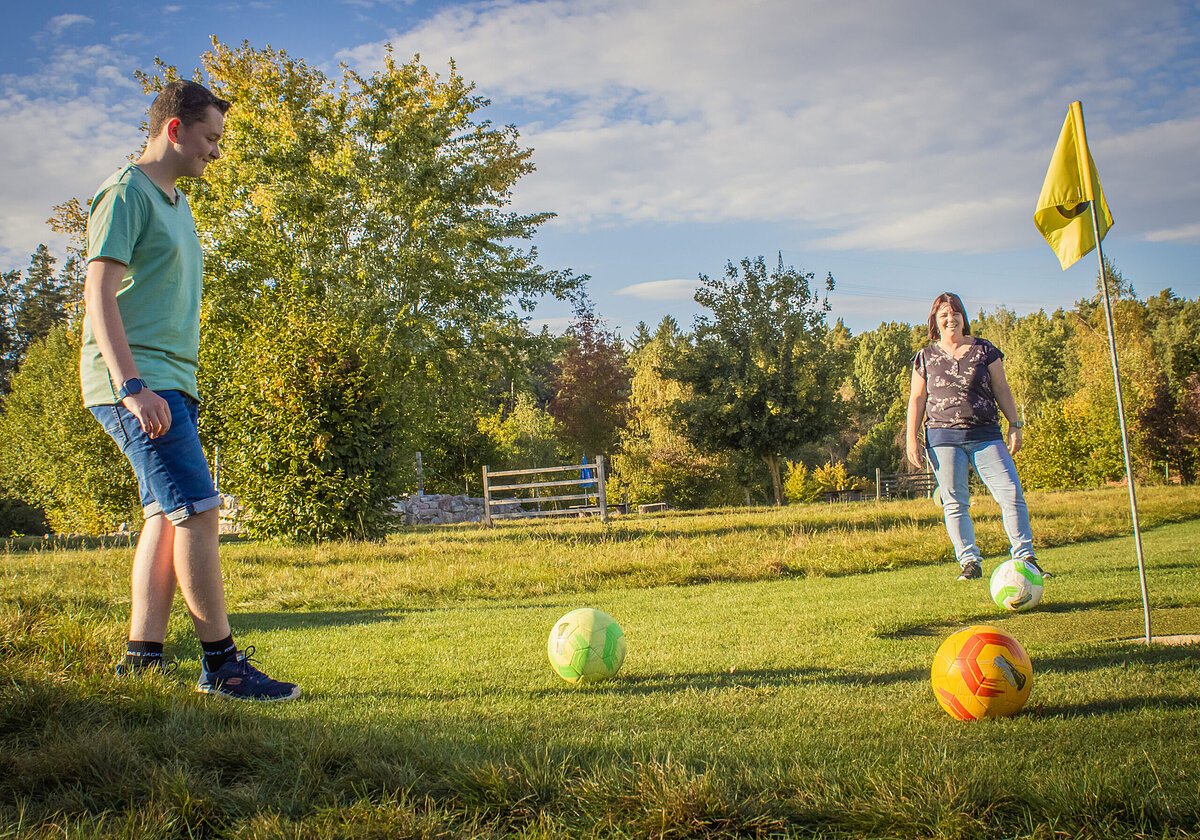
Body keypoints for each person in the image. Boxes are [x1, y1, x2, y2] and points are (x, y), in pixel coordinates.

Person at [81, 80, 299, 701]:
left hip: (171, 380)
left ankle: (143, 661)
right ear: (174, 130)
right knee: (201, 512)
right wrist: (133, 386)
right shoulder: (128, 194)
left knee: (168, 517)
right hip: (139, 382)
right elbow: (98, 292)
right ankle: (223, 666)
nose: (217, 152)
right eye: (210, 138)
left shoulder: (175, 200)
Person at [904, 292, 1051, 582]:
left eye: (955, 313)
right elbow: (917, 399)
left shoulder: (985, 350)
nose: (950, 319)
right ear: (935, 321)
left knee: (1010, 492)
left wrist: (1015, 424)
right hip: (942, 437)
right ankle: (969, 562)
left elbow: (1002, 389)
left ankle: (1025, 558)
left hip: (985, 434)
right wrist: (911, 438)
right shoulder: (925, 357)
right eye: (944, 314)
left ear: (963, 318)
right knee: (955, 502)